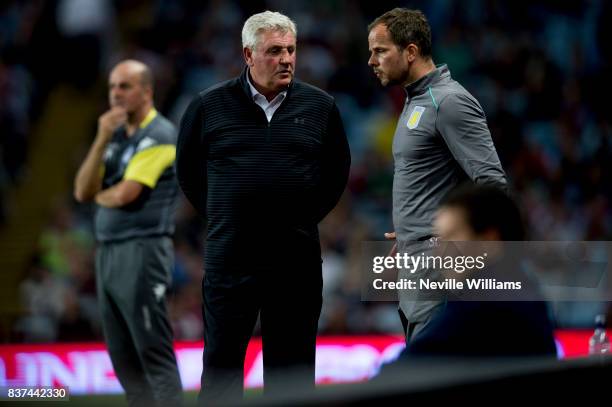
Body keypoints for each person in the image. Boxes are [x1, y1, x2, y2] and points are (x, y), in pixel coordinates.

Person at [176, 11, 350, 402]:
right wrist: (228, 214)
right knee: (221, 371)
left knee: (293, 375)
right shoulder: (208, 105)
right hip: (230, 259)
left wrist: (299, 216)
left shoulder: (321, 106)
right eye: (274, 51)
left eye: (290, 50)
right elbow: (188, 173)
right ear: (248, 54)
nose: (286, 59)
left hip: (296, 261)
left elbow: (336, 173)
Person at [367, 8, 508, 341]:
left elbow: (493, 187)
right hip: (415, 273)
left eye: (380, 51)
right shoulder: (415, 100)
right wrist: (411, 231)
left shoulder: (449, 101)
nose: (372, 61)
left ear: (411, 51)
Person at [73, 60, 183, 406]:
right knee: (123, 359)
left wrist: (98, 195)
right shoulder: (116, 137)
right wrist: (102, 135)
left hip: (142, 249)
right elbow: (81, 190)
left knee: (153, 354)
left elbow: (125, 194)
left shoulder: (161, 135)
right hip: (109, 252)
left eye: (125, 86)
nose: (115, 95)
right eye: (112, 87)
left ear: (147, 91)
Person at [398, 184, 557, 357]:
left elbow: (408, 369)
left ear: (489, 240)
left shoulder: (484, 306)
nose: (438, 252)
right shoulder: (522, 292)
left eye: (450, 237)